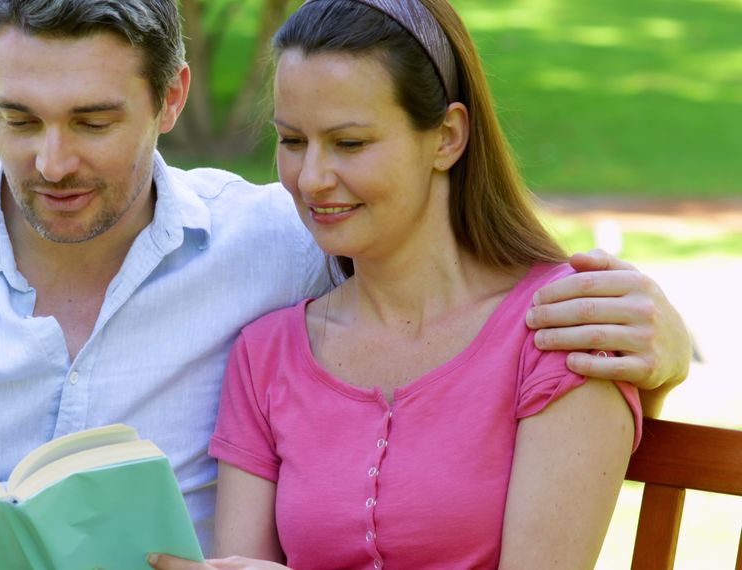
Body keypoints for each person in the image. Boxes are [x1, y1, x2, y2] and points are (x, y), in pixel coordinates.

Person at [0, 1, 690, 568]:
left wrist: (668, 343)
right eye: (18, 119)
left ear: (171, 100)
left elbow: (466, 278)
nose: (51, 161)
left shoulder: (278, 240)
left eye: (93, 119)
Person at [147, 1, 658, 569]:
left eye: (349, 143)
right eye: (292, 141)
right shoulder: (265, 356)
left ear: (446, 137)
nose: (311, 178)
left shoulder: (559, 328)